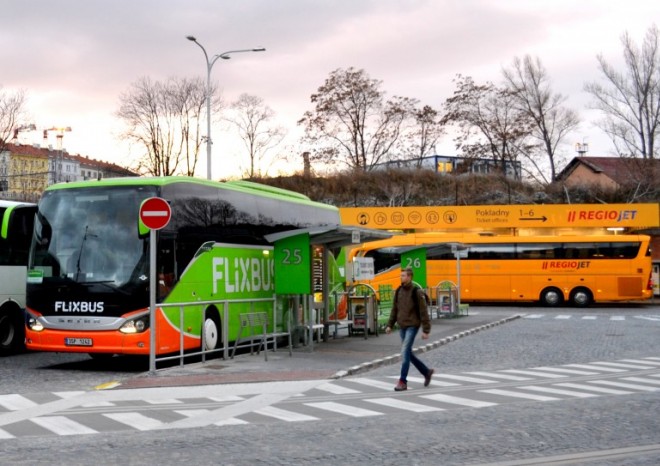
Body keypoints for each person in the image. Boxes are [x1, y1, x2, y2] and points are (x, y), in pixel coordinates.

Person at [385, 267, 434, 391]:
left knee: (405, 352)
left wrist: (426, 330)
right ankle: (426, 372)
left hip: (413, 326)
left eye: (403, 275)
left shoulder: (416, 292)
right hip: (402, 326)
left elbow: (423, 312)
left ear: (410, 277)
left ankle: (403, 381)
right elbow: (394, 309)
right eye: (401, 275)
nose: (401, 277)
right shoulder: (399, 291)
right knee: (408, 353)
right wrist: (390, 325)